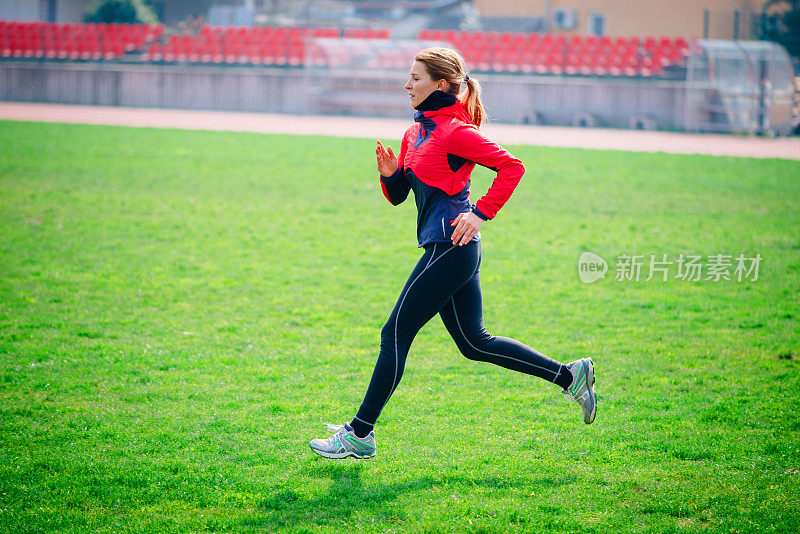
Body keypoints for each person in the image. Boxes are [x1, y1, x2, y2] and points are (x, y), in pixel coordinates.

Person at [310, 47, 596, 460]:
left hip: (452, 247)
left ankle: (360, 432)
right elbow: (400, 197)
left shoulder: (455, 132)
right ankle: (570, 376)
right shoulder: (416, 133)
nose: (407, 85)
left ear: (441, 85)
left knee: (394, 333)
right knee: (474, 343)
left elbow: (512, 167)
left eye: (416, 78)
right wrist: (390, 176)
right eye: (408, 78)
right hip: (448, 248)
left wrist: (480, 213)